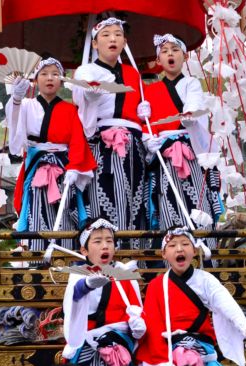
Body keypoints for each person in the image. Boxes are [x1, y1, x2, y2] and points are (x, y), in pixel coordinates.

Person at [136, 227, 246, 366]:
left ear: (194, 250)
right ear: (164, 253)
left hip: (201, 354)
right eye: (173, 245)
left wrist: (244, 326)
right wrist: (161, 362)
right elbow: (153, 324)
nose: (179, 249)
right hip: (168, 356)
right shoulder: (156, 286)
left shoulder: (205, 280)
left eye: (185, 244)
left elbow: (225, 303)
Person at [62, 217, 146, 366]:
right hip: (93, 354)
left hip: (123, 355)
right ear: (84, 249)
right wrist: (89, 284)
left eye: (109, 240)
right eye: (97, 241)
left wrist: (138, 324)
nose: (105, 246)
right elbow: (75, 296)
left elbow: (137, 312)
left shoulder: (125, 274)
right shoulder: (79, 273)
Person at [72, 18, 149, 244]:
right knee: (101, 193)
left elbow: (141, 110)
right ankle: (102, 253)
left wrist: (144, 112)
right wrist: (90, 97)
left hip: (133, 143)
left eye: (117, 34)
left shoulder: (133, 74)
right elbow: (80, 102)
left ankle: (134, 254)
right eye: (106, 35)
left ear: (125, 41)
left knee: (135, 197)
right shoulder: (85, 70)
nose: (112, 39)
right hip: (100, 141)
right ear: (95, 44)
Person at [8, 57, 97, 250]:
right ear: (35, 79)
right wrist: (15, 99)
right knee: (34, 204)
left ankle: (64, 251)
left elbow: (77, 141)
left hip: (63, 168)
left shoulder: (70, 110)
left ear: (62, 79)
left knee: (65, 206)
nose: (50, 78)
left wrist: (74, 167)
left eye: (55, 74)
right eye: (44, 74)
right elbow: (14, 128)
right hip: (36, 165)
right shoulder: (25, 105)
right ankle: (36, 251)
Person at [143, 34, 222, 233]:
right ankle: (172, 244)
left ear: (185, 56)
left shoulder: (192, 84)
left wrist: (189, 115)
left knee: (196, 196)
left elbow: (194, 106)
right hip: (163, 152)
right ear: (158, 60)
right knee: (167, 197)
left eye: (175, 50)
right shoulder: (150, 91)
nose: (170, 54)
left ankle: (202, 244)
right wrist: (147, 137)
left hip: (189, 148)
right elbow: (146, 123)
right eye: (164, 51)